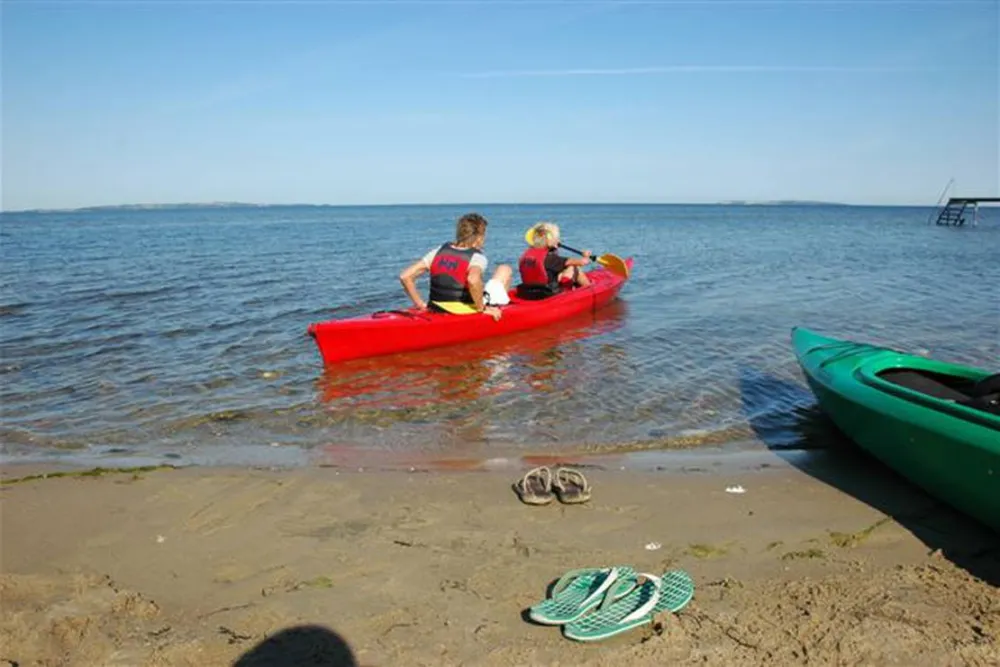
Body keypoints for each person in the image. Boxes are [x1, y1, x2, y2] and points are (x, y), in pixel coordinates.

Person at [399, 212, 513, 320]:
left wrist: (420, 304)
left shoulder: (439, 251)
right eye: (484, 236)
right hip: (463, 310)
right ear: (479, 238)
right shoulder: (476, 257)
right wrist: (481, 308)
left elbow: (405, 276)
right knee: (505, 270)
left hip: (436, 307)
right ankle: (506, 313)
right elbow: (473, 280)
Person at [516, 221, 591, 300]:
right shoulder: (552, 259)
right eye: (556, 238)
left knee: (557, 272)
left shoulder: (525, 255)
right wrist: (586, 256)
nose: (558, 240)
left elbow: (548, 266)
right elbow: (582, 262)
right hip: (549, 295)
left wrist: (553, 246)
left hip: (527, 293)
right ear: (550, 240)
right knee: (574, 268)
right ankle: (589, 290)